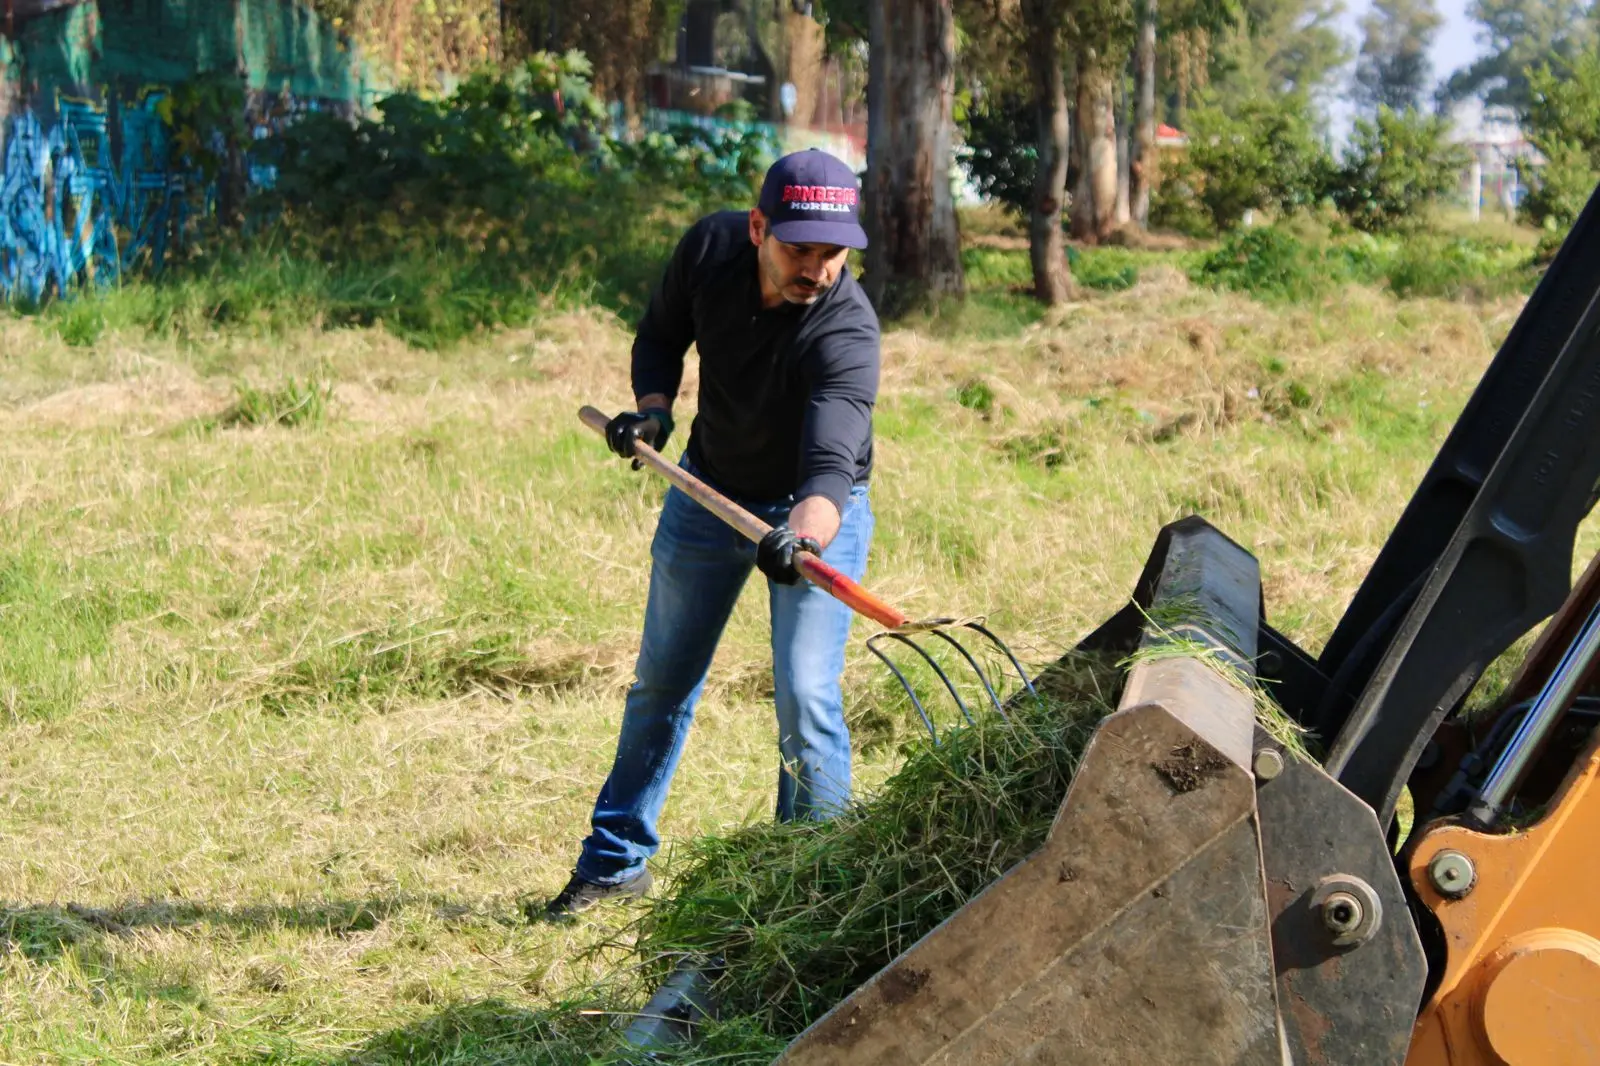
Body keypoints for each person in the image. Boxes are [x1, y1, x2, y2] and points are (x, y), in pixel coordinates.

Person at [538, 149, 882, 920]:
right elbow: (661, 334)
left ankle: (810, 891)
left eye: (833, 255)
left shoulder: (846, 331)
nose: (818, 270)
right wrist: (653, 411)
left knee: (804, 694)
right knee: (662, 680)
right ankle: (615, 861)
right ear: (757, 227)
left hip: (810, 514)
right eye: (799, 249)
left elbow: (830, 470)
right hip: (708, 489)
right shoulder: (709, 250)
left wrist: (803, 539)